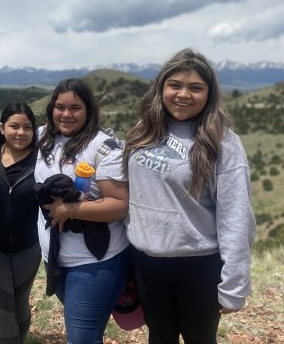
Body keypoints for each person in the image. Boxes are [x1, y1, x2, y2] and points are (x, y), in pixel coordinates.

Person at [122, 48, 256, 344]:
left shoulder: (222, 142)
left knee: (200, 339)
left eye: (196, 88)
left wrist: (234, 283)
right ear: (161, 88)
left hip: (198, 264)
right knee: (159, 336)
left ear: (210, 93)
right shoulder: (144, 131)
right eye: (175, 85)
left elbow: (235, 216)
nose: (183, 95)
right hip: (146, 260)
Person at [34, 78, 130, 344]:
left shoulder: (103, 147)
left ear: (88, 110)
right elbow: (13, 138)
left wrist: (70, 210)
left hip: (95, 263)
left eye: (75, 108)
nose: (66, 114)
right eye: (59, 106)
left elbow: (120, 205)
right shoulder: (43, 136)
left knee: (82, 338)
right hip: (55, 257)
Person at [0, 103, 41, 344]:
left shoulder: (42, 160)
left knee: (20, 302)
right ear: (2, 128)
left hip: (29, 247)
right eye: (14, 126)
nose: (21, 132)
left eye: (27, 127)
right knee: (2, 309)